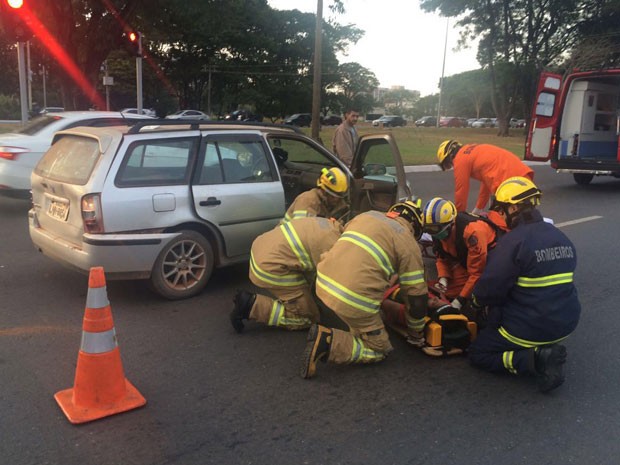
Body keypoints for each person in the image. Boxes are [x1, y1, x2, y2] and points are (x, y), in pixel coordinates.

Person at [467, 177, 581, 393]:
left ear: (513, 207)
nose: (500, 216)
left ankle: (535, 359)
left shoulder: (513, 242)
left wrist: (474, 301)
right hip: (566, 323)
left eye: (501, 210)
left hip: (530, 328)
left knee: (478, 352)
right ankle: (541, 347)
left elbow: (489, 290)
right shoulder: (561, 237)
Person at [300, 201, 428, 379]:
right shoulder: (407, 241)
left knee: (361, 315)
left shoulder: (366, 215)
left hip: (322, 282)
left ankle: (352, 324)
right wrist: (416, 332)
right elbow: (416, 298)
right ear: (414, 225)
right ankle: (328, 342)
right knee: (379, 348)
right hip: (353, 299)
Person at [231, 216, 343, 333]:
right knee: (309, 318)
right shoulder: (334, 245)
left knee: (309, 298)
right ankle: (250, 306)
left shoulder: (329, 225)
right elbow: (333, 281)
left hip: (262, 248)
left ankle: (297, 302)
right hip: (270, 266)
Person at [422, 197, 508, 311]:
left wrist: (460, 300)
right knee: (447, 290)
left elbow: (477, 272)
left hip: (491, 259)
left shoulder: (473, 233)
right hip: (467, 259)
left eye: (435, 229)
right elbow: (441, 257)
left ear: (451, 223)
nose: (433, 234)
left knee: (464, 292)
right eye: (429, 230)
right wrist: (443, 278)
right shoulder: (439, 231)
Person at [437, 140, 534, 213]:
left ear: (450, 156)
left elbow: (461, 191)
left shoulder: (460, 159)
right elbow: (486, 181)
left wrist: (458, 216)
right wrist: (479, 208)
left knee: (501, 223)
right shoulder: (472, 150)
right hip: (523, 177)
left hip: (509, 183)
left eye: (447, 164)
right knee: (525, 218)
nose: (452, 167)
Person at [283, 167, 349, 223]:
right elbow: (301, 229)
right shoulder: (306, 201)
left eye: (339, 197)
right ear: (323, 191)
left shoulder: (339, 205)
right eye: (333, 196)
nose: (336, 200)